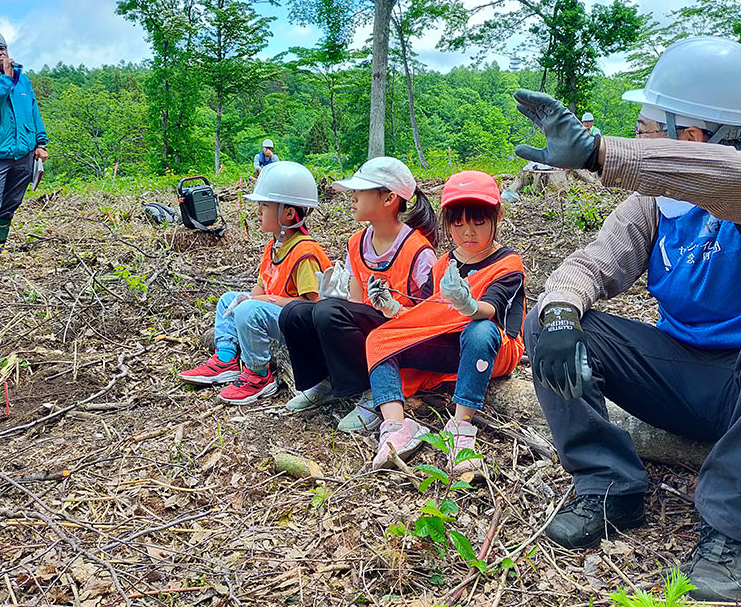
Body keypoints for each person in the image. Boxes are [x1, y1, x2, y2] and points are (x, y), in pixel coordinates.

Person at [515, 36, 741, 603]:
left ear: (690, 136)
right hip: (685, 379)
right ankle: (606, 485)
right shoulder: (652, 206)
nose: (637, 138)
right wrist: (561, 312)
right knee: (551, 317)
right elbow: (590, 264)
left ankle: (735, 532)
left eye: (646, 128)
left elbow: (736, 182)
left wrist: (602, 154)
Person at [363, 171, 526, 472]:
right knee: (379, 339)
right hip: (449, 346)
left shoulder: (507, 264)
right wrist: (391, 308)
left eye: (478, 222)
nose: (468, 232)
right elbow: (423, 315)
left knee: (480, 331)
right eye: (458, 223)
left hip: (492, 347)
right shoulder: (443, 265)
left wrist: (468, 303)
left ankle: (461, 430)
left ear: (497, 217)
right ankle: (397, 427)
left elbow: (492, 310)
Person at [279, 157, 438, 431]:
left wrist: (390, 306)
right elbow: (355, 302)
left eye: (360, 191)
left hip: (398, 335)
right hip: (369, 328)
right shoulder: (357, 242)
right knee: (295, 312)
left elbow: (428, 318)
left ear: (389, 199)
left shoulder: (418, 250)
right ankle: (325, 379)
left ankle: (372, 392)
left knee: (327, 310)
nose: (352, 197)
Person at [178, 161, 331, 404]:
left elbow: (313, 307)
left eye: (264, 206)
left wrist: (260, 302)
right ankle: (227, 357)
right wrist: (250, 300)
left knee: (249, 308)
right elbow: (261, 285)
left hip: (297, 326)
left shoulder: (305, 252)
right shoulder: (274, 245)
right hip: (275, 315)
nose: (257, 212)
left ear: (289, 213)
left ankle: (258, 374)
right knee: (229, 299)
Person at [0, 28, 49, 271]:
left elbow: (33, 110)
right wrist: (5, 77)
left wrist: (40, 142)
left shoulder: (22, 79)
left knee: (11, 201)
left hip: (23, 151)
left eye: (2, 48)